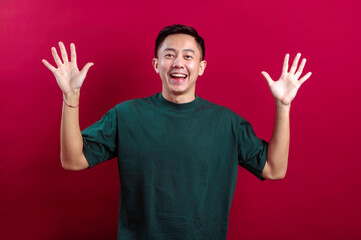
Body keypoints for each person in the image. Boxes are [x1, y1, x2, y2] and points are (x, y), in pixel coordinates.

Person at [42, 24, 312, 240]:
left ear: (201, 67)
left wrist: (283, 106)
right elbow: (73, 160)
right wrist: (71, 96)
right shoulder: (126, 115)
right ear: (156, 64)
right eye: (169, 54)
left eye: (188, 56)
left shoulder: (227, 123)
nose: (178, 63)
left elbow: (275, 169)